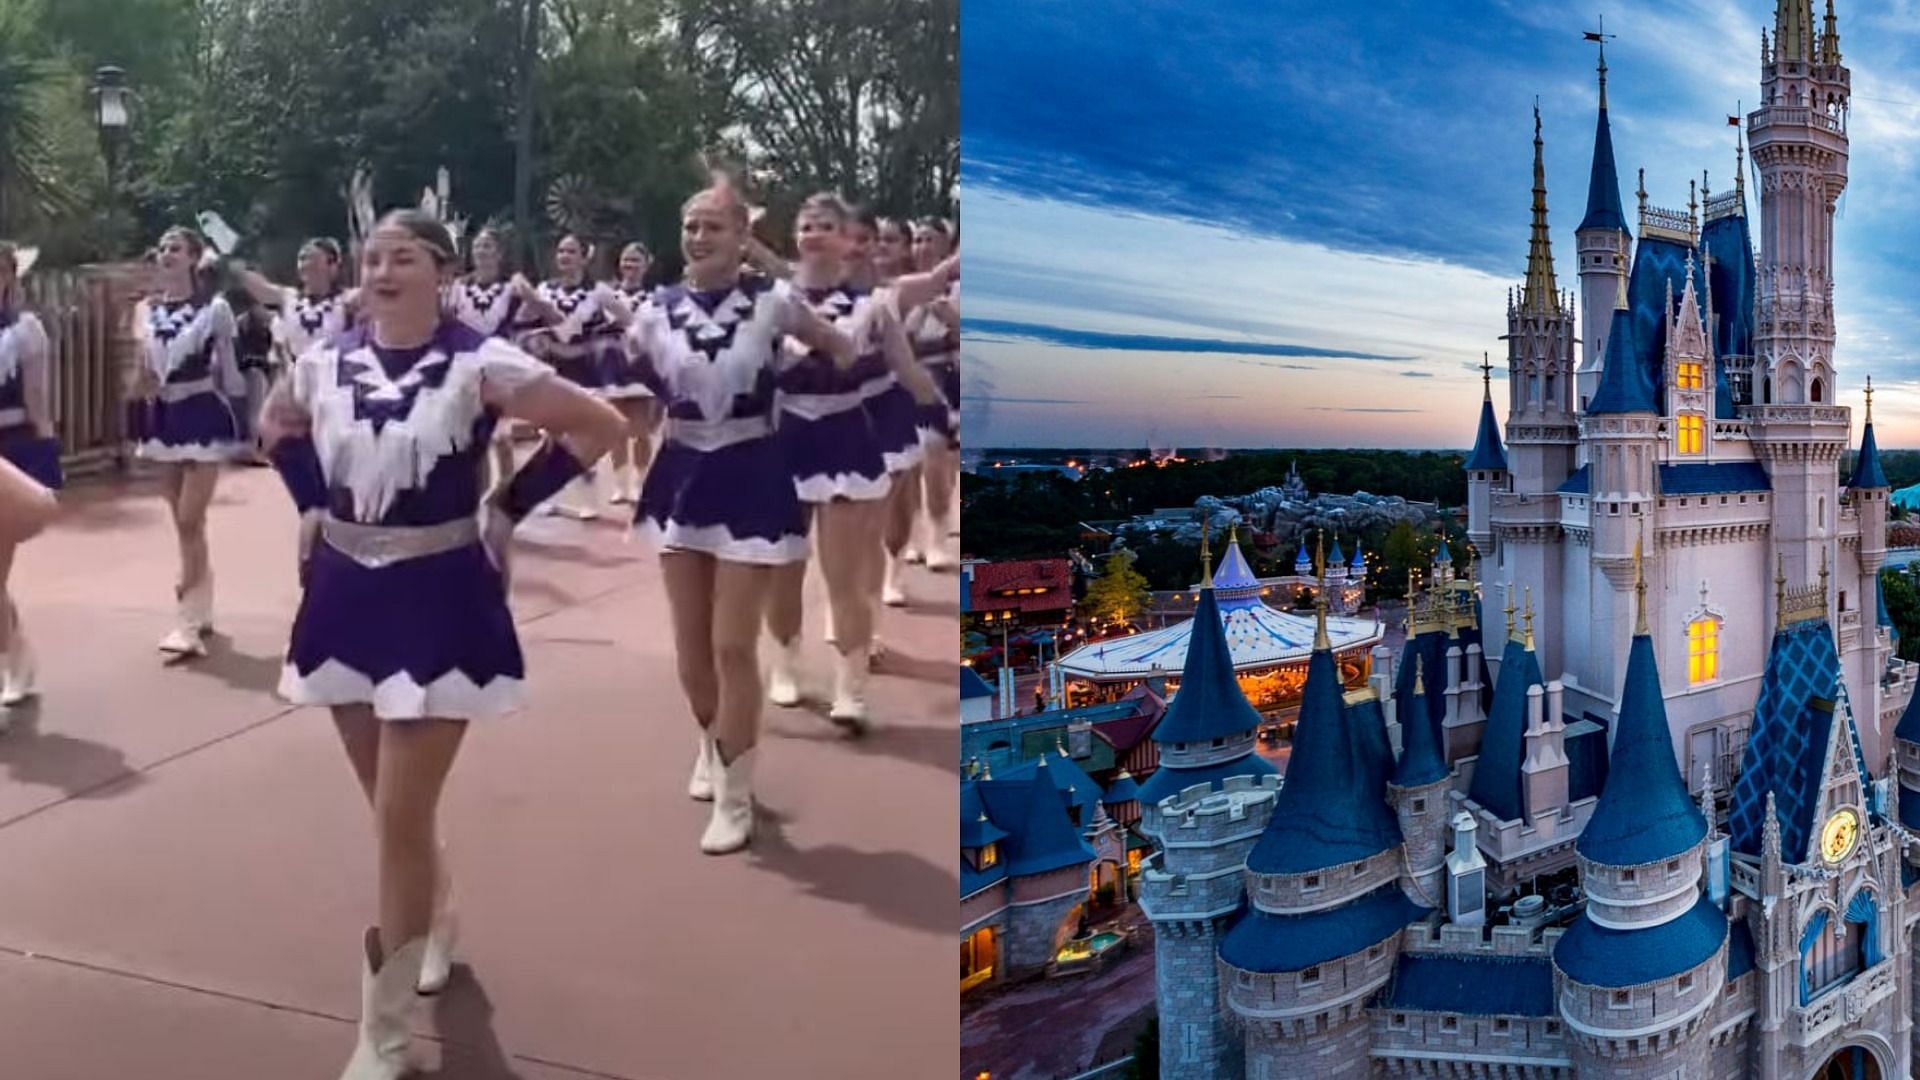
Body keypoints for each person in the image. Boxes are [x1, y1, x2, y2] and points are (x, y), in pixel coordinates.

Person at [258, 209, 623, 1078]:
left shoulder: (480, 359)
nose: (382, 270)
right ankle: (437, 909)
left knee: (397, 815)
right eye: (372, 256)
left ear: (441, 271)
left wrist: (505, 509)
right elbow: (274, 428)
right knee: (391, 811)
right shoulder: (323, 360)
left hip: (440, 597)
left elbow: (600, 424)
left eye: (404, 257)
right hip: (344, 596)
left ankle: (381, 1035)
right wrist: (311, 500)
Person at [626, 181, 859, 854]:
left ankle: (736, 794)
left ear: (740, 236)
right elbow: (633, 376)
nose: (700, 238)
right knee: (690, 646)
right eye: (691, 226)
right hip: (681, 476)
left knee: (733, 645)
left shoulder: (772, 302)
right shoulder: (657, 308)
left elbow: (840, 349)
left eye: (714, 227)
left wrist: (797, 387)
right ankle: (711, 741)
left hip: (753, 475)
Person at [764, 195, 942, 727]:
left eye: (827, 226)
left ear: (847, 240)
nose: (814, 233)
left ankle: (850, 685)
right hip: (784, 437)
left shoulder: (876, 304)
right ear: (795, 237)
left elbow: (908, 372)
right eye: (805, 225)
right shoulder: (769, 300)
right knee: (783, 569)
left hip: (845, 437)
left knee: (844, 576)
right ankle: (786, 665)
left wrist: (947, 411)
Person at [127, 226, 250, 659]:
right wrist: (138, 405)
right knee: (185, 524)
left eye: (176, 248)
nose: (166, 254)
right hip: (164, 417)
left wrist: (244, 423)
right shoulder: (146, 310)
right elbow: (143, 369)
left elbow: (231, 371)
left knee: (187, 517)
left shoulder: (214, 309)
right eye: (162, 247)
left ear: (195, 257)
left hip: (202, 412)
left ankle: (188, 617)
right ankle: (203, 605)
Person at [516, 234, 617, 519]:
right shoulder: (545, 289)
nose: (564, 256)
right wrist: (535, 337)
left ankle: (589, 499)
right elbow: (522, 321)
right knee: (551, 436)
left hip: (586, 373)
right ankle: (546, 495)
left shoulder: (598, 292)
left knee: (582, 437)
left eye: (571, 251)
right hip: (552, 372)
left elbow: (627, 319)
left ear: (585, 257)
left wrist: (605, 344)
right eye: (561, 251)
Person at [0, 242, 60, 709]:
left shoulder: (25, 329)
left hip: (13, 446)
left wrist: (45, 456)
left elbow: (38, 397)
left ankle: (16, 662)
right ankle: (17, 658)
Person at [904, 217, 960, 571]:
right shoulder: (900, 287)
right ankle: (911, 535)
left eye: (930, 240)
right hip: (902, 378)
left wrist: (946, 314)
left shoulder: (957, 290)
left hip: (943, 379)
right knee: (907, 465)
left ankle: (937, 537)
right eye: (918, 240)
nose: (922, 246)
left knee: (933, 456)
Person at [598, 241, 664, 504]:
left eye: (636, 260)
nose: (630, 265)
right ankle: (619, 485)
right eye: (626, 260)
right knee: (616, 428)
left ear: (647, 265)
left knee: (640, 430)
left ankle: (640, 483)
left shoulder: (655, 297)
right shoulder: (607, 296)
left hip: (642, 370)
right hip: (613, 368)